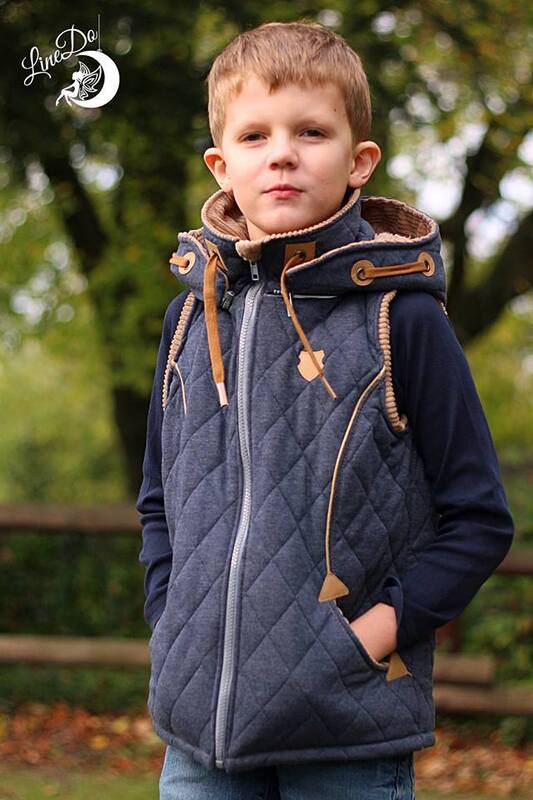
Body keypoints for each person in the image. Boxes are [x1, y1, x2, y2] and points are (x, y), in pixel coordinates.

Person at [136, 20, 514, 799]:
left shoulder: (401, 319)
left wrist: (366, 638)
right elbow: (158, 503)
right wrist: (174, 624)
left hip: (346, 725)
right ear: (221, 163)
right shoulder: (188, 321)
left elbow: (478, 519)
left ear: (357, 161)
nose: (281, 153)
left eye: (310, 131)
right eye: (254, 135)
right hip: (198, 736)